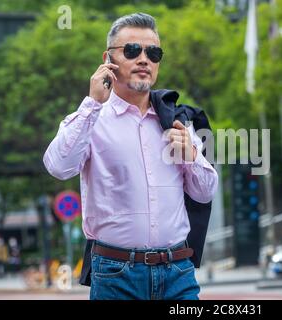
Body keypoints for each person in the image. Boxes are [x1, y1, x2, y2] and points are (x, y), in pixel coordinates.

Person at [43, 12, 218, 300]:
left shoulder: (177, 121)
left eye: (153, 52)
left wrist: (191, 155)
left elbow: (205, 193)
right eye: (132, 50)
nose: (144, 59)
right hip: (115, 276)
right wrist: (91, 104)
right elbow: (58, 167)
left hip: (178, 273)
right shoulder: (91, 118)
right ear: (108, 59)